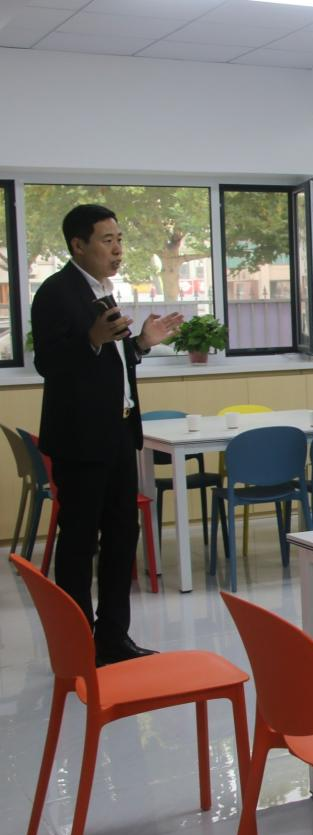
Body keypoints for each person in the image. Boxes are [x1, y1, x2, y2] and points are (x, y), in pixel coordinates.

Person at [31, 204, 183, 665]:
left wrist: (140, 344)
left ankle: (113, 638)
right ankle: (78, 644)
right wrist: (92, 339)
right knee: (80, 543)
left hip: (118, 432)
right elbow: (49, 364)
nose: (117, 250)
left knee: (121, 537)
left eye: (120, 240)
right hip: (80, 440)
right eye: (107, 240)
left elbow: (107, 366)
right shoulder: (56, 293)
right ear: (78, 245)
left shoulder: (103, 291)